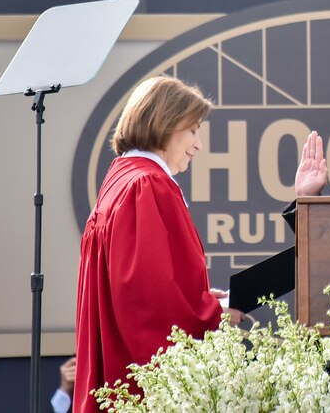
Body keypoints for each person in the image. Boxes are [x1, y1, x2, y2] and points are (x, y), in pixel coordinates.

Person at [74, 76, 243, 412]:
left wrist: (204, 300)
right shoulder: (147, 185)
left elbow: (136, 286)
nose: (198, 144)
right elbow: (147, 303)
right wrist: (213, 314)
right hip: (139, 389)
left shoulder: (120, 179)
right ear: (165, 124)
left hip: (111, 374)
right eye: (192, 130)